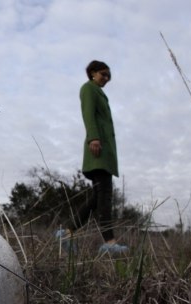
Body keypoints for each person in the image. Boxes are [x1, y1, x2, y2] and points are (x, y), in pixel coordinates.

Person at [57, 60, 128, 255]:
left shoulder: (100, 93)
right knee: (104, 197)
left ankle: (67, 233)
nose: (106, 79)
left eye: (108, 76)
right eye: (103, 74)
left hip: (104, 153)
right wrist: (94, 138)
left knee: (97, 198)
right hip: (98, 151)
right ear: (92, 73)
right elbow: (88, 114)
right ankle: (110, 243)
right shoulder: (88, 89)